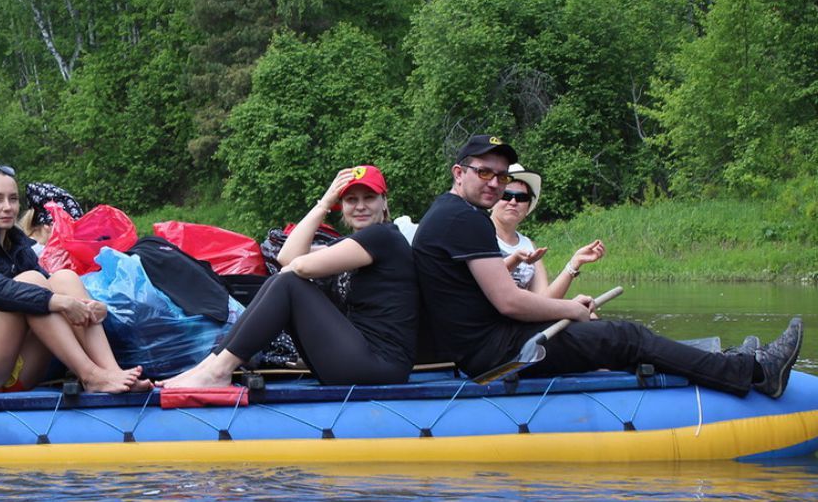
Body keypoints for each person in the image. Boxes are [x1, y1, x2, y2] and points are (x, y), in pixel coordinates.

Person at [412, 135, 802, 397]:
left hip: (493, 342)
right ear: (459, 172)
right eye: (485, 172)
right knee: (626, 337)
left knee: (613, 335)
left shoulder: (450, 213)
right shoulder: (462, 219)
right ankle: (753, 374)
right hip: (498, 355)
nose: (495, 184)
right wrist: (571, 310)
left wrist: (566, 311)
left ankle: (726, 361)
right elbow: (509, 301)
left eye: (501, 175)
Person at [162, 165, 418, 388]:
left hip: (380, 365)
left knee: (288, 282)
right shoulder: (350, 245)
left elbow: (299, 268)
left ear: (384, 202)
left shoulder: (384, 236)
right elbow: (287, 256)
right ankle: (210, 366)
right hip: (356, 359)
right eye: (351, 199)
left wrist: (292, 270)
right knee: (284, 278)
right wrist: (324, 202)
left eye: (369, 197)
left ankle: (218, 371)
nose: (360, 206)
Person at [0, 164, 148, 394]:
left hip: (13, 368)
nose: (7, 207)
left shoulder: (17, 243)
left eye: (13, 199)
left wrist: (89, 306)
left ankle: (112, 372)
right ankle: (89, 376)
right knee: (33, 283)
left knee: (64, 279)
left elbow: (51, 287)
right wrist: (58, 302)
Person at [490, 163, 605, 297]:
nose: (514, 202)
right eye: (506, 195)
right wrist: (515, 259)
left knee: (586, 311)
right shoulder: (479, 234)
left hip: (522, 314)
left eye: (522, 198)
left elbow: (544, 299)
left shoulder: (528, 245)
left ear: (528, 206)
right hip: (489, 315)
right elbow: (481, 279)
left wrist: (574, 263)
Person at [18, 182, 83, 257]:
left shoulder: (22, 247)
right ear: (48, 225)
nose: (72, 235)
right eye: (68, 227)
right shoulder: (34, 254)